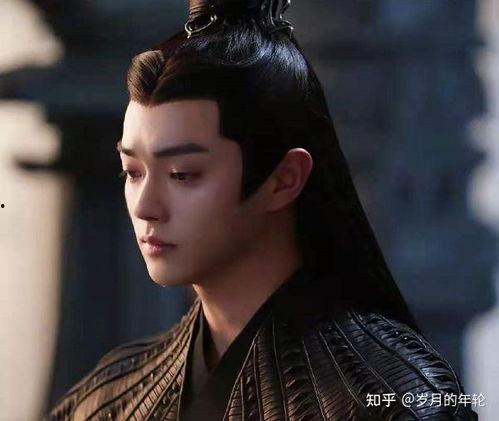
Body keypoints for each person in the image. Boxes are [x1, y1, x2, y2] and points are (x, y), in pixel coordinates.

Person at [44, 0, 479, 419]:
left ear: (284, 178)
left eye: (182, 174)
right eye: (132, 172)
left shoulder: (397, 398)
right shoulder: (107, 396)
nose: (145, 207)